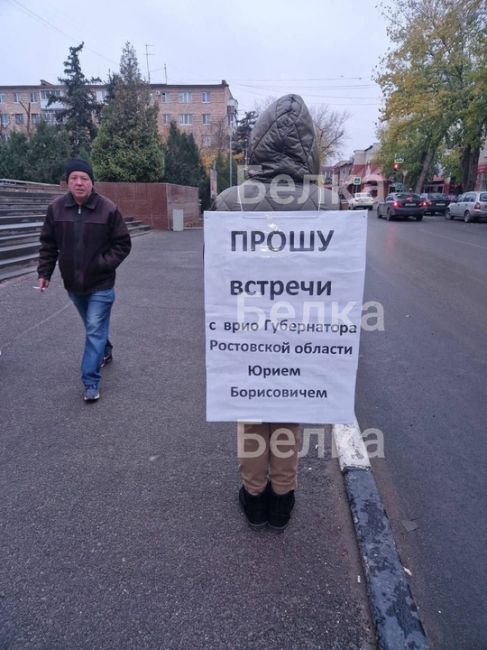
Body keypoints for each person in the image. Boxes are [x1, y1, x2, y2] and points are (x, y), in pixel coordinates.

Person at [213, 94, 328, 530]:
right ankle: (283, 499)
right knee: (287, 415)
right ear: (309, 146)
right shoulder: (328, 203)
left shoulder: (229, 202)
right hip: (300, 334)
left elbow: (217, 272)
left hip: (246, 331)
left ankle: (254, 495)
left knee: (251, 414)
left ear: (258, 142)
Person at [37, 159, 131, 402]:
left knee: (93, 329)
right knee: (94, 330)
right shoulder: (56, 209)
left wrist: (102, 264)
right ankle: (105, 349)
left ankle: (90, 381)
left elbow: (123, 244)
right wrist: (44, 273)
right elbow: (49, 244)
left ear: (92, 182)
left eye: (84, 178)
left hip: (101, 284)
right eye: (73, 178)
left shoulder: (108, 209)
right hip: (73, 285)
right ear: (67, 182)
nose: (79, 183)